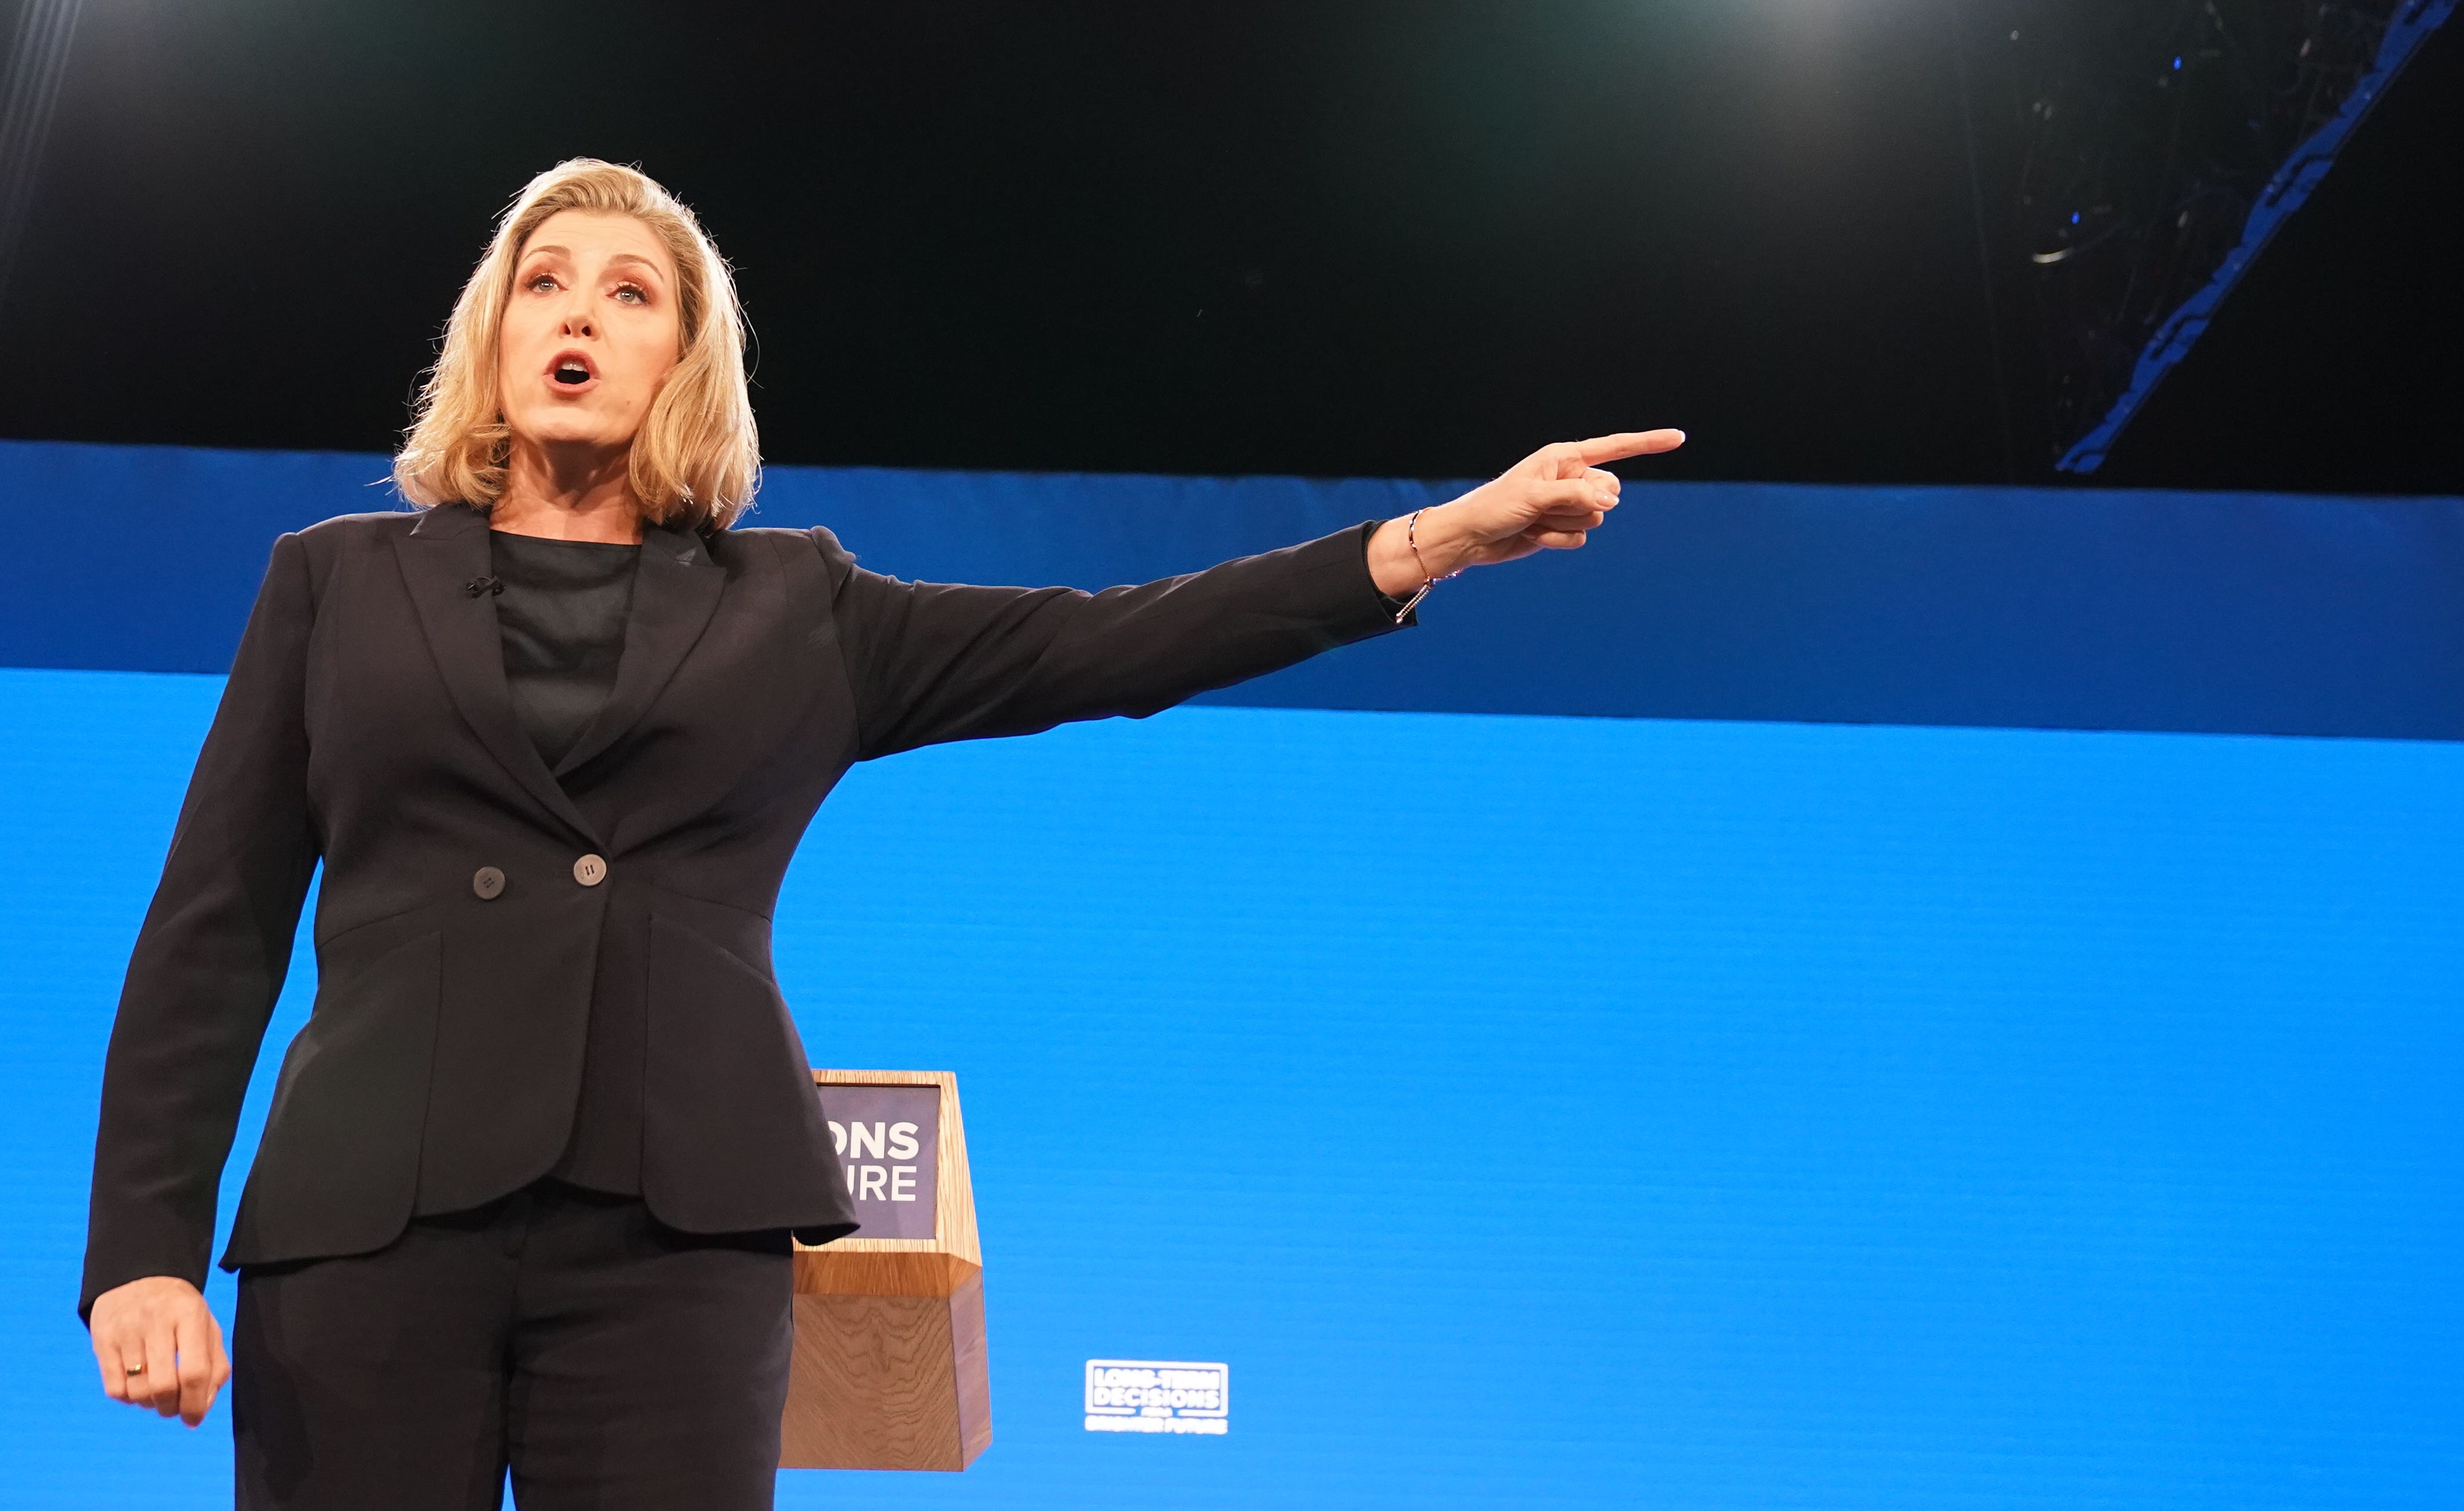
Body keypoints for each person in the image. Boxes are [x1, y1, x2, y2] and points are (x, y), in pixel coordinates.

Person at [80, 158, 1682, 1509]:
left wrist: (1425, 545)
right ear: (492, 333)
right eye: (543, 279)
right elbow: (211, 926)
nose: (576, 309)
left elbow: (1105, 643)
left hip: (671, 1239)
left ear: (685, 360)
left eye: (630, 291)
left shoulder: (801, 610)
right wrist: (140, 1253)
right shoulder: (333, 584)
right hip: (368, 1227)